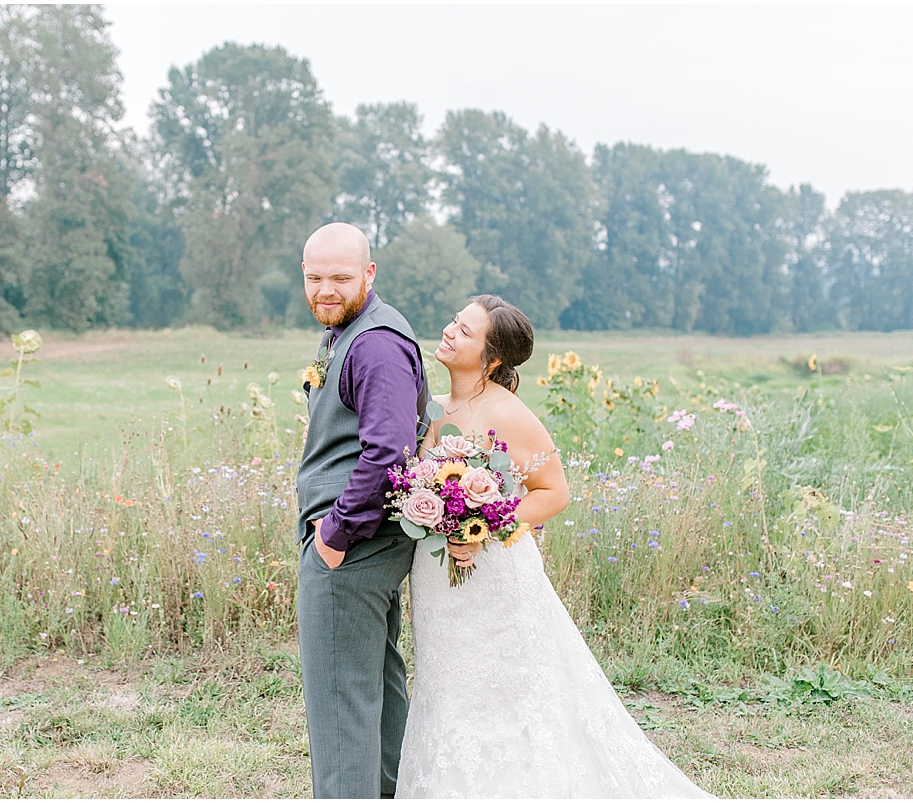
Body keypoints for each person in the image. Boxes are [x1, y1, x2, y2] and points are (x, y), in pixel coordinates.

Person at [395, 295, 711, 799]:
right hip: (438, 576)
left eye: (466, 331)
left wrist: (480, 522)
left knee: (506, 691)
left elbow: (554, 491)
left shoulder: (508, 413)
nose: (450, 332)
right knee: (448, 686)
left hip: (494, 575)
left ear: (492, 359)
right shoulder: (436, 407)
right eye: (455, 322)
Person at [295, 222, 429, 799]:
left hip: (350, 549)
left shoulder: (373, 342)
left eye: (340, 277)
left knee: (339, 705)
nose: (326, 289)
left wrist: (336, 533)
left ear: (369, 274)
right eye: (314, 277)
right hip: (366, 546)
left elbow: (389, 451)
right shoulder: (350, 331)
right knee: (374, 686)